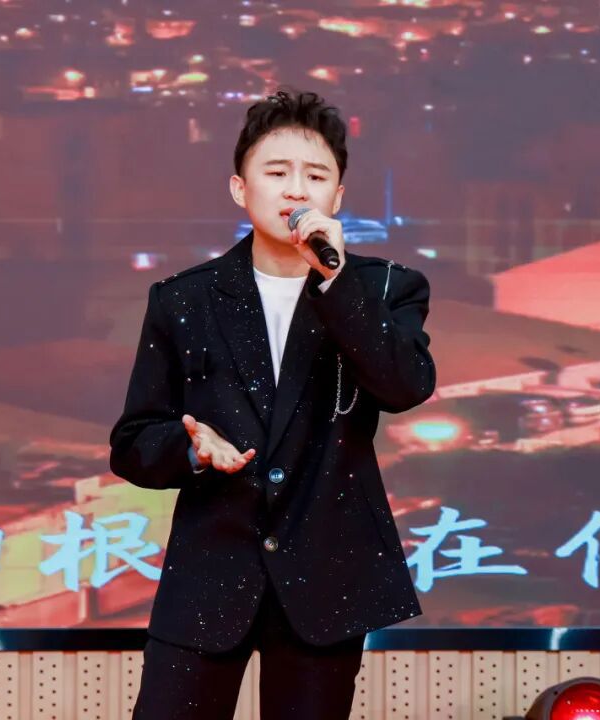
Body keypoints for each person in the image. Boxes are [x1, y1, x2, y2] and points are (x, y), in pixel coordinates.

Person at [109, 87, 436, 720]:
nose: (296, 190)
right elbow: (133, 441)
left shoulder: (384, 289)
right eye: (277, 172)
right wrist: (191, 449)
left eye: (315, 176)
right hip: (209, 571)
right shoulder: (184, 298)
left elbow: (405, 386)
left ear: (337, 197)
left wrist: (336, 282)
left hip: (327, 574)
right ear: (240, 189)